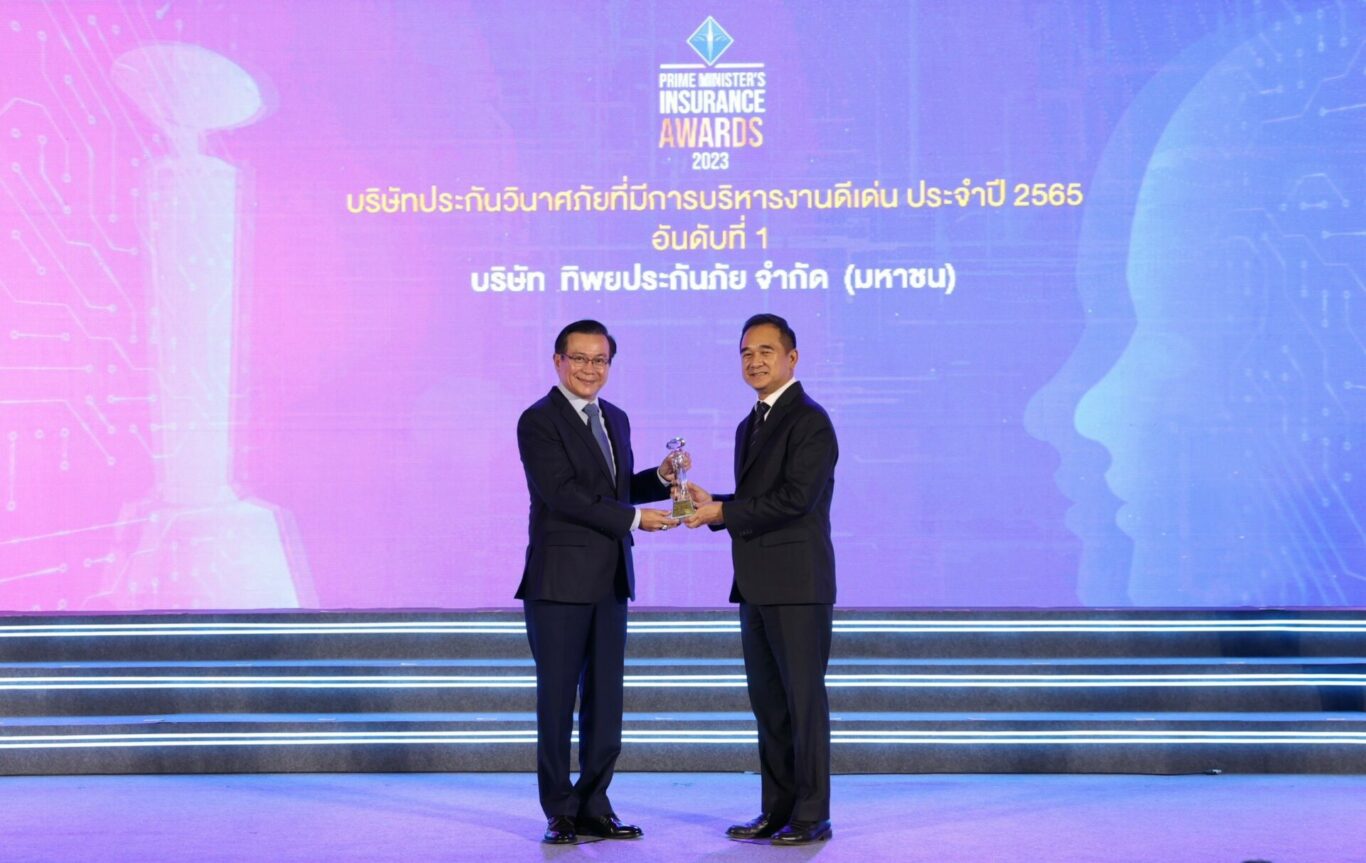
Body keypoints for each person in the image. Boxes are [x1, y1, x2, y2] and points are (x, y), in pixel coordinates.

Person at [515, 319, 680, 844]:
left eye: (600, 360)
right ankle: (559, 810)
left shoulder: (616, 418)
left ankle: (594, 804)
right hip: (558, 584)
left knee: (606, 702)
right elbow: (564, 494)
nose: (590, 369)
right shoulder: (538, 420)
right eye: (580, 358)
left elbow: (614, 488)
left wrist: (661, 479)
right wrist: (634, 519)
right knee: (557, 701)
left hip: (610, 580)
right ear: (558, 361)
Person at [684, 313, 838, 845]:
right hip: (756, 584)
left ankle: (812, 814)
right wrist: (715, 503)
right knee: (770, 707)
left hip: (798, 586)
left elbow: (796, 500)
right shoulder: (750, 423)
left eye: (766, 351)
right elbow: (760, 499)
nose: (755, 361)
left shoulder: (810, 421)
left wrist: (724, 513)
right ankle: (777, 810)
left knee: (803, 704)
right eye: (747, 353)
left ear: (792, 358)